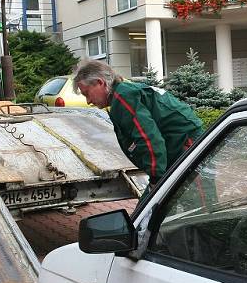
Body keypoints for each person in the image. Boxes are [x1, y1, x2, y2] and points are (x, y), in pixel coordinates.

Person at [73, 59, 203, 192]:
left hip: (187, 145)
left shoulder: (123, 96)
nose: (88, 101)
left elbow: (148, 139)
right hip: (175, 148)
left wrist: (156, 179)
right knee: (152, 207)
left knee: (196, 201)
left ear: (100, 82)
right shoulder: (122, 93)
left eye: (86, 93)